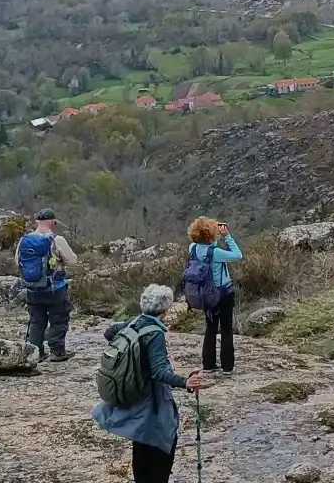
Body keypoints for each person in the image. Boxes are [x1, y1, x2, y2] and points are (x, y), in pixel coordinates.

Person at [93, 284, 209, 483]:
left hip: (136, 395)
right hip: (152, 401)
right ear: (165, 310)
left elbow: (109, 332)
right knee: (161, 445)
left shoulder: (134, 322)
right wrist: (186, 382)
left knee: (141, 444)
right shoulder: (155, 333)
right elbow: (159, 372)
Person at [16, 207, 79, 362]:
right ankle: (57, 352)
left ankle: (35, 353)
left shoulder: (24, 240)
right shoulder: (57, 240)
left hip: (32, 289)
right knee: (59, 320)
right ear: (53, 222)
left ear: (37, 222)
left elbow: (17, 261)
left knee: (36, 322)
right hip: (55, 289)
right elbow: (72, 261)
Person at [185, 217, 243, 374]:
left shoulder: (192, 248)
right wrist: (227, 236)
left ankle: (208, 364)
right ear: (210, 235)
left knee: (210, 328)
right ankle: (227, 366)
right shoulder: (216, 253)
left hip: (206, 294)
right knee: (226, 329)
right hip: (223, 293)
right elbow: (238, 255)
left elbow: (204, 244)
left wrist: (210, 234)